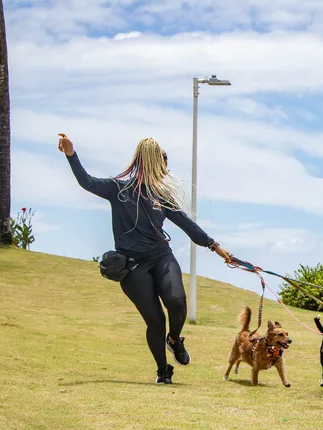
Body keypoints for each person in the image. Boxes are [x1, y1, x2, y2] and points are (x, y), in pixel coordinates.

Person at [57, 133, 232, 384]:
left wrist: (215, 247)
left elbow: (186, 224)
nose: (165, 172)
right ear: (151, 163)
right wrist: (72, 155)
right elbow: (86, 182)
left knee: (177, 301)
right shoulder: (117, 189)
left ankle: (174, 340)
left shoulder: (161, 197)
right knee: (155, 320)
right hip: (132, 267)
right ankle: (163, 370)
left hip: (161, 257)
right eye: (162, 166)